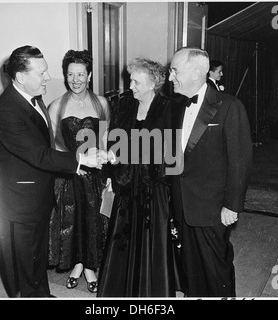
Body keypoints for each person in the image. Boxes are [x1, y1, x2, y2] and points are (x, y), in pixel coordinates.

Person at [0, 45, 102, 298]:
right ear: (21, 77)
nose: (48, 77)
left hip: (34, 197)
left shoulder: (32, 97)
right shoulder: (6, 112)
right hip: (16, 204)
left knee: (36, 259)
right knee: (22, 269)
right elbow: (39, 154)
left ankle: (42, 295)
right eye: (42, 73)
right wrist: (81, 159)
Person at [168, 47, 252, 297]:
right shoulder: (175, 106)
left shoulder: (229, 106)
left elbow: (241, 161)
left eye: (175, 71)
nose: (170, 77)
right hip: (183, 204)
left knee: (216, 270)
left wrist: (232, 205)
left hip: (213, 208)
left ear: (196, 72)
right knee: (190, 268)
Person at [97, 58, 184, 297]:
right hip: (126, 182)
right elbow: (116, 140)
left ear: (153, 82)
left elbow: (173, 153)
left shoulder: (169, 107)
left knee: (152, 239)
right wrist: (113, 162)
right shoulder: (125, 105)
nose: (131, 85)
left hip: (154, 185)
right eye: (130, 80)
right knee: (122, 237)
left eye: (136, 81)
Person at [48, 50, 110, 294]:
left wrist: (102, 167)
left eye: (81, 74)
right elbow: (52, 144)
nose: (75, 80)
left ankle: (89, 268)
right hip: (70, 172)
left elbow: (105, 138)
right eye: (70, 74)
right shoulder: (56, 106)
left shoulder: (102, 103)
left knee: (93, 220)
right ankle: (77, 264)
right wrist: (77, 163)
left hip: (96, 171)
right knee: (72, 221)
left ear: (90, 75)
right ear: (65, 75)